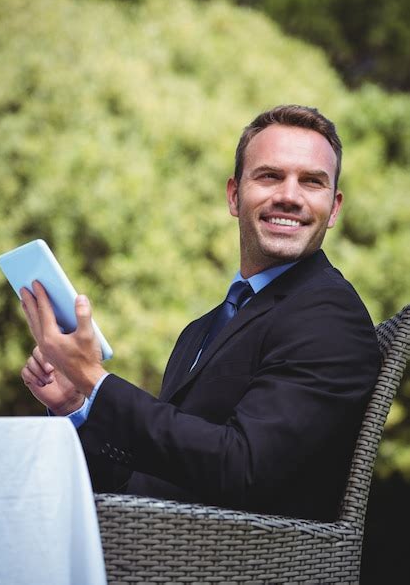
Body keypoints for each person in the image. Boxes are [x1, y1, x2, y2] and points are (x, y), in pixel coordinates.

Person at [20, 104, 381, 520]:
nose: (289, 195)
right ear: (233, 195)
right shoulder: (201, 330)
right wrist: (75, 405)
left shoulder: (329, 315)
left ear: (333, 208)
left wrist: (94, 378)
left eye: (312, 182)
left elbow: (244, 469)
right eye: (270, 176)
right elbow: (153, 479)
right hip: (159, 548)